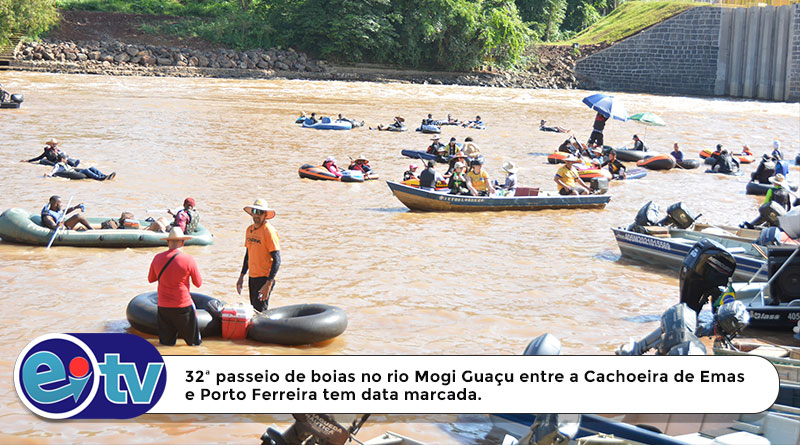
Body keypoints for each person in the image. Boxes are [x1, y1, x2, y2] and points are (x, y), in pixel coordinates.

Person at [148, 227, 202, 346]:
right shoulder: (188, 259)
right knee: (194, 345)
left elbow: (151, 279)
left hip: (163, 307)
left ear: (168, 242)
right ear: (183, 242)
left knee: (166, 345)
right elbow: (198, 283)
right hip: (183, 306)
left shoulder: (157, 258)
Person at [237, 199, 281, 313]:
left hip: (265, 278)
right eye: (255, 211)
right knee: (254, 308)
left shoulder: (269, 232)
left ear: (265, 215)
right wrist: (241, 276)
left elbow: (277, 259)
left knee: (261, 310)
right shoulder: (249, 230)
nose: (257, 215)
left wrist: (268, 283)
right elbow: (248, 254)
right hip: (253, 276)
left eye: (260, 212)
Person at [45, 153, 115, 181]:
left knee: (92, 168)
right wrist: (49, 175)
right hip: (72, 173)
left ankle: (104, 176)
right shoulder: (58, 165)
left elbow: (70, 168)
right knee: (86, 170)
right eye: (65, 158)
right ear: (62, 159)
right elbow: (54, 171)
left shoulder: (66, 164)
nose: (67, 159)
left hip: (74, 171)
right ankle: (99, 178)